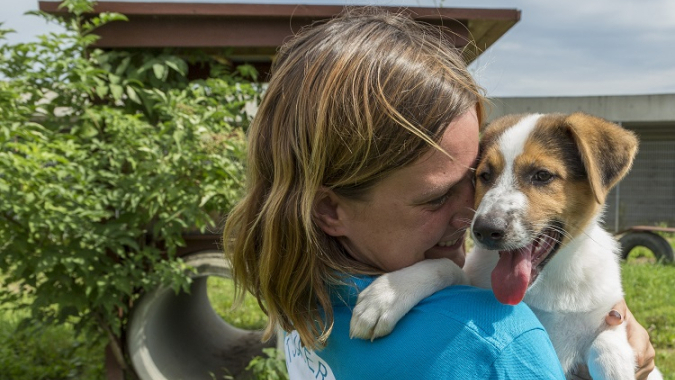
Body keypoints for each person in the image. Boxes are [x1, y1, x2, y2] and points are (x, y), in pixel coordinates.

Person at [223, 8, 655, 379]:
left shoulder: (304, 298)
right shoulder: (498, 343)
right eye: (434, 197)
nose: (476, 215)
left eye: (540, 176)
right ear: (330, 209)